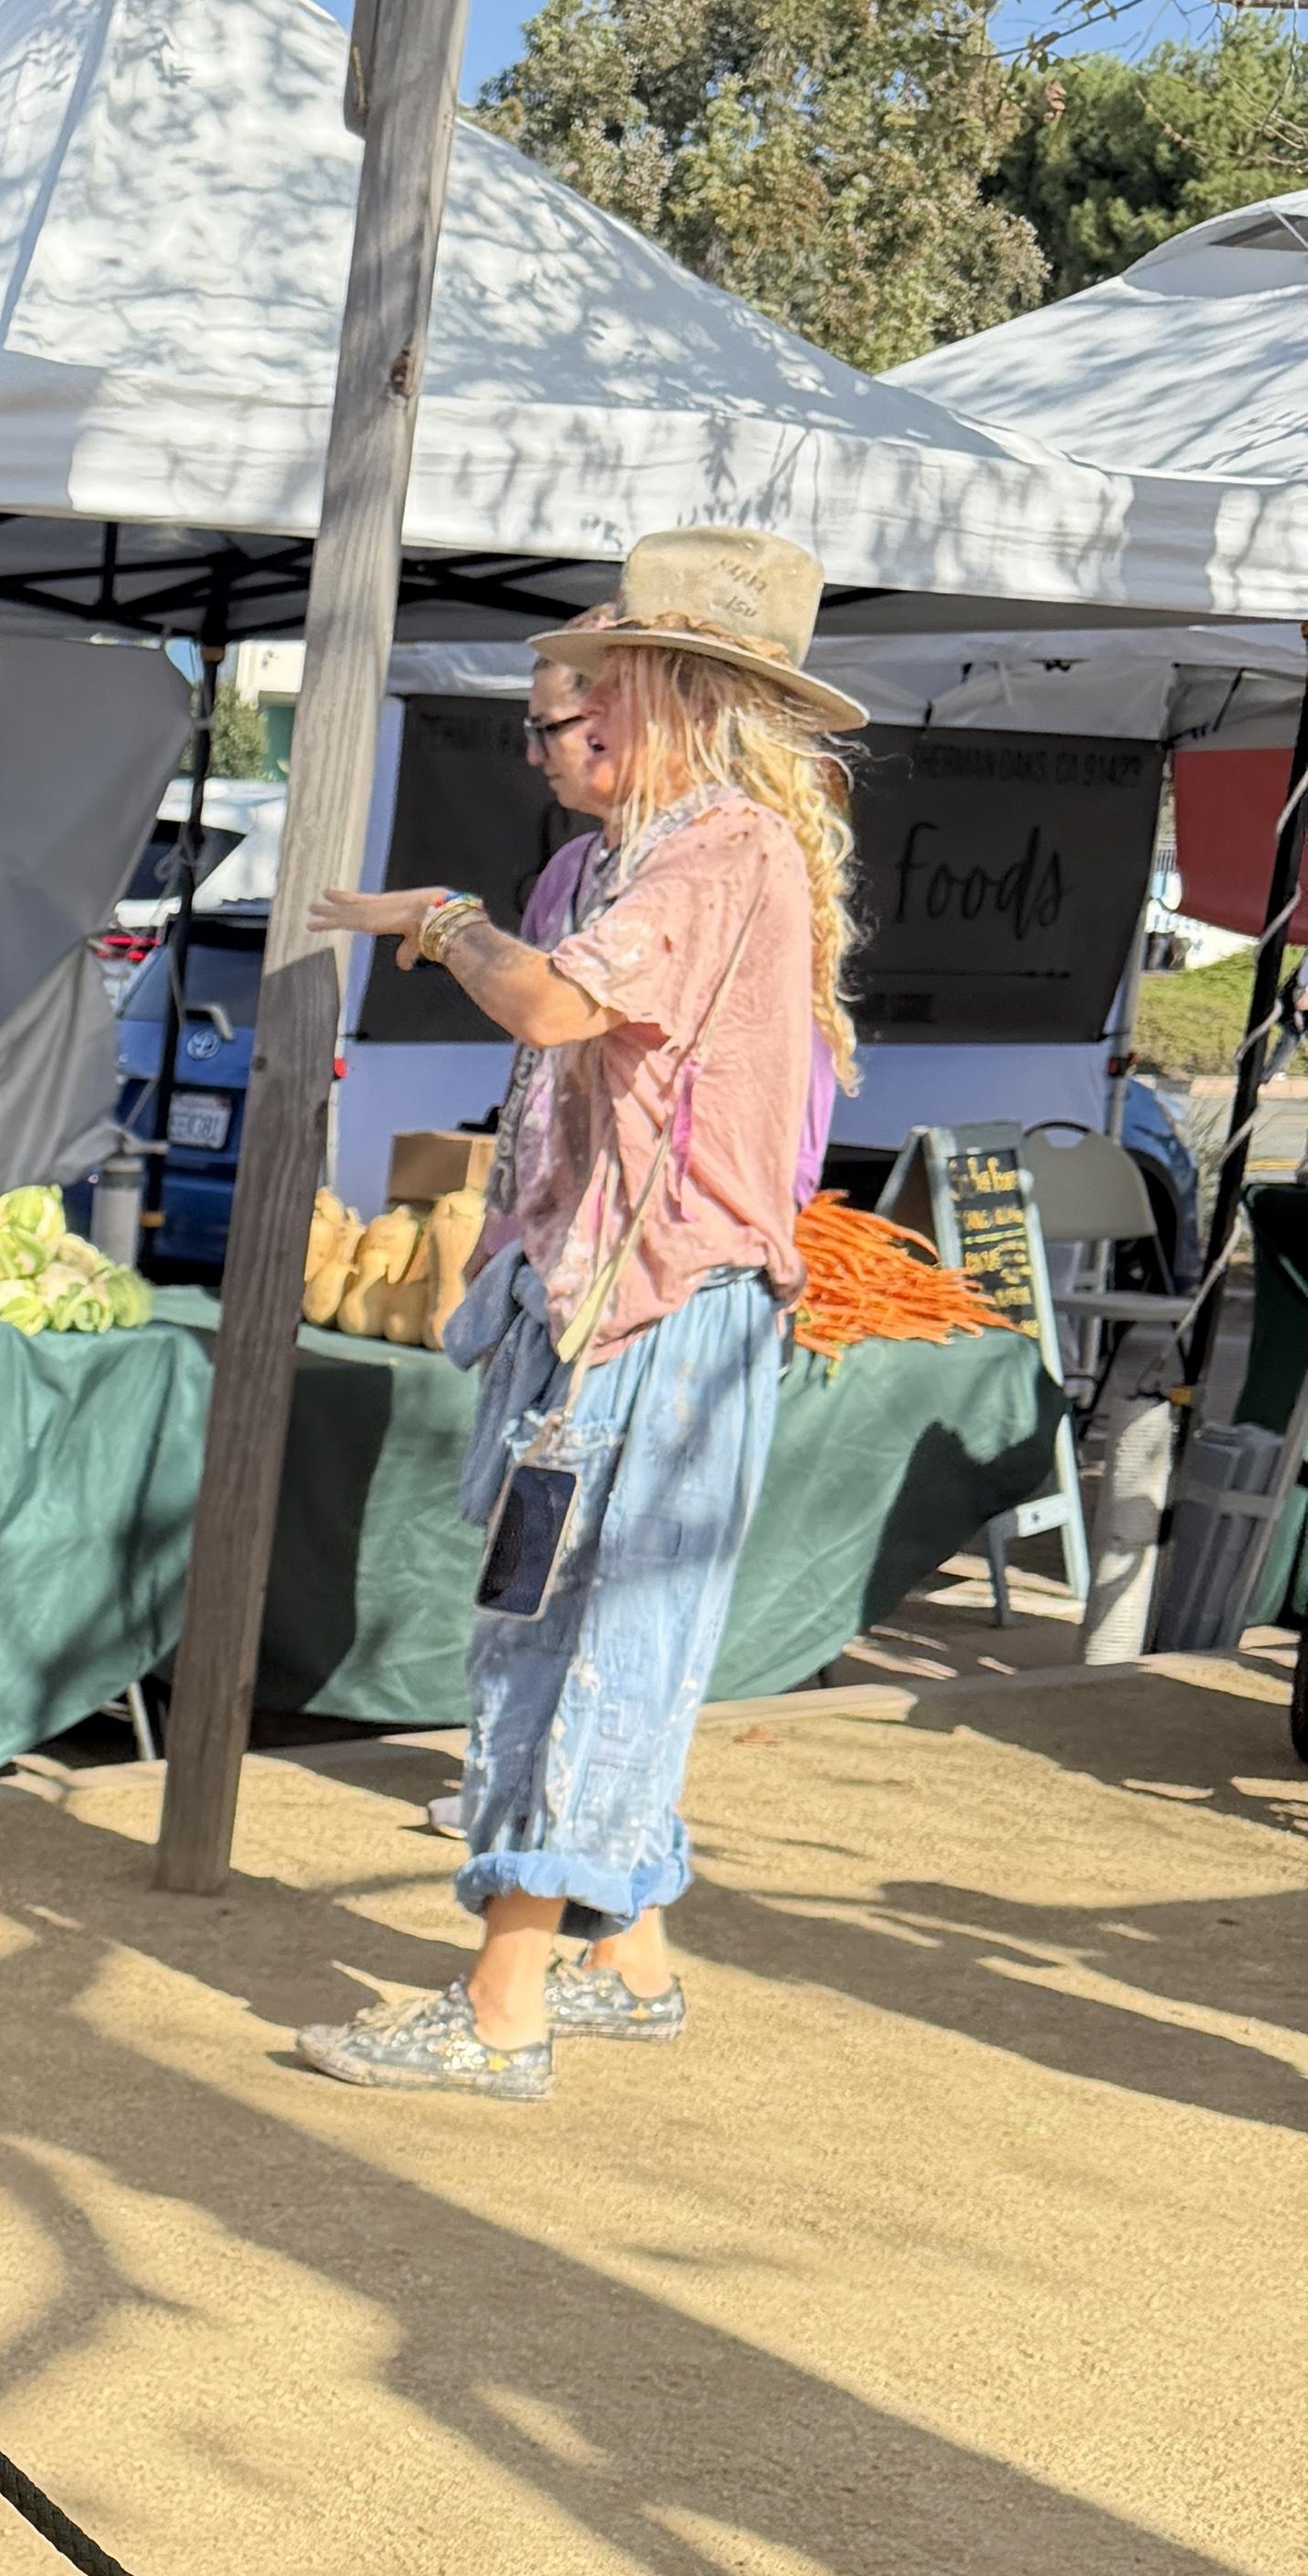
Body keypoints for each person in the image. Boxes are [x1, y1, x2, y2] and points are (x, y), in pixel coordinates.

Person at [300, 528, 863, 2101]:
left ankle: (501, 2009)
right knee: (586, 1626)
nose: (579, 705)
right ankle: (623, 1960)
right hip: (608, 1296)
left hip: (658, 1312)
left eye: (608, 675)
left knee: (576, 1646)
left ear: (676, 687)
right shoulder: (647, 853)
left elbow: (552, 1002)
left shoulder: (724, 850)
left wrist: (441, 923)